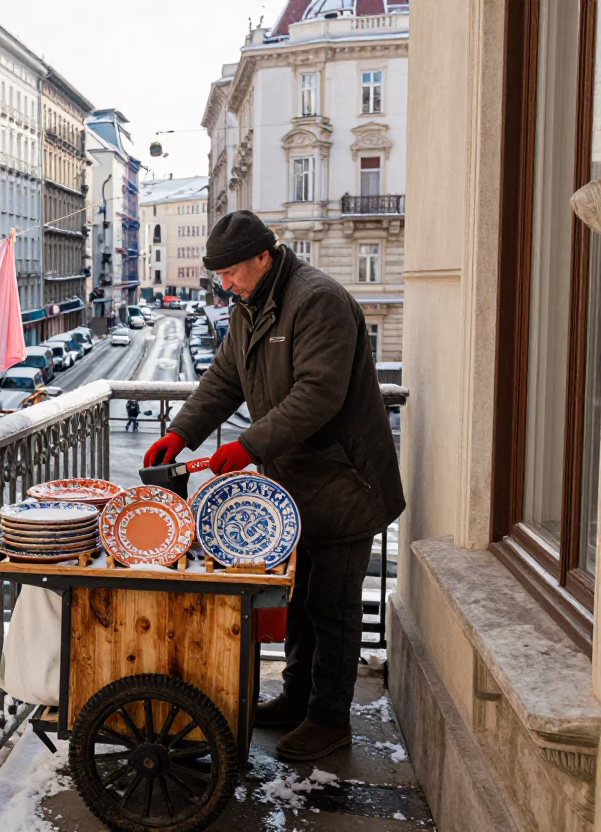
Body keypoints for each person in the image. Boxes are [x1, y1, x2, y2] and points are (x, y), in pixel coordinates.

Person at [143, 210, 404, 762]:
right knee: (300, 598)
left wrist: (247, 447)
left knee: (332, 608)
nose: (225, 284)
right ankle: (296, 697)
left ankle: (330, 720)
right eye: (220, 276)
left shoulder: (318, 300)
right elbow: (225, 378)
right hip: (299, 482)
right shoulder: (249, 304)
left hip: (346, 481)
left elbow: (318, 394)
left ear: (265, 256)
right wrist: (180, 433)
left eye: (233, 272)